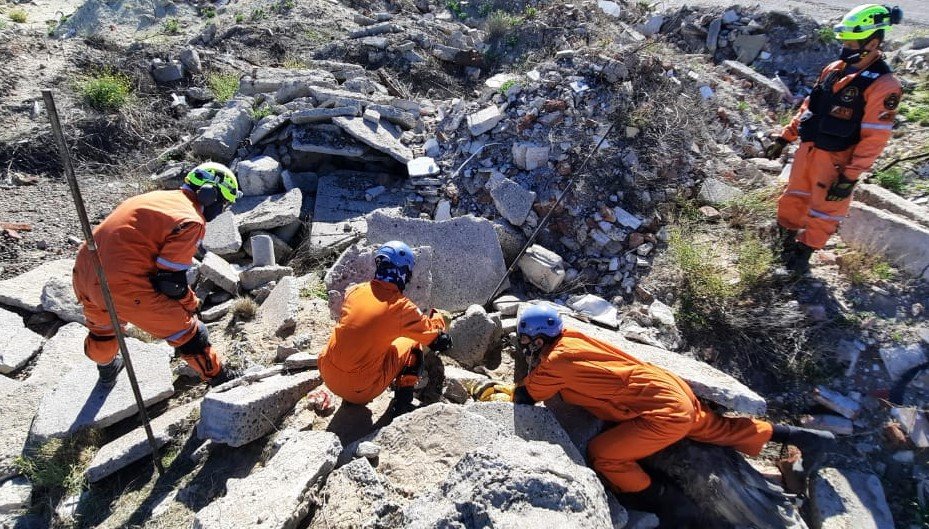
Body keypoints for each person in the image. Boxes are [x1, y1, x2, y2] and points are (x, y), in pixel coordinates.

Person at [496, 304, 834, 512]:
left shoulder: (555, 361)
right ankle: (802, 436)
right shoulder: (572, 338)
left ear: (539, 338)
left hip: (661, 412)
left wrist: (502, 390)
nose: (524, 345)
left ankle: (663, 501)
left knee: (604, 454)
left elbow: (527, 395)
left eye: (526, 340)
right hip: (669, 390)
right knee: (719, 429)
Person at [73, 162, 245, 387]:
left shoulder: (155, 198)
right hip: (122, 285)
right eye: (223, 203)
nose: (221, 210)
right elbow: (170, 282)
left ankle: (106, 368)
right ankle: (222, 379)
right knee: (190, 333)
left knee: (103, 330)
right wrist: (191, 303)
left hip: (84, 271)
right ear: (210, 195)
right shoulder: (191, 219)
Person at [765, 4, 904, 275]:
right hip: (809, 149)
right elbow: (810, 106)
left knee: (826, 209)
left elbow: (875, 137)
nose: (845, 46)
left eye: (851, 41)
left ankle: (802, 256)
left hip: (837, 159)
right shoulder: (833, 69)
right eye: (844, 40)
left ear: (873, 42)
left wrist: (850, 177)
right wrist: (786, 136)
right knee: (794, 196)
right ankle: (783, 242)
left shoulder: (885, 85)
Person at [318, 240, 453, 415]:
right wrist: (438, 322)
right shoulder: (402, 308)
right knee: (412, 343)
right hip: (360, 391)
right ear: (404, 273)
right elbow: (438, 341)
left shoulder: (355, 291)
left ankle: (350, 383)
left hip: (327, 374)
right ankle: (402, 404)